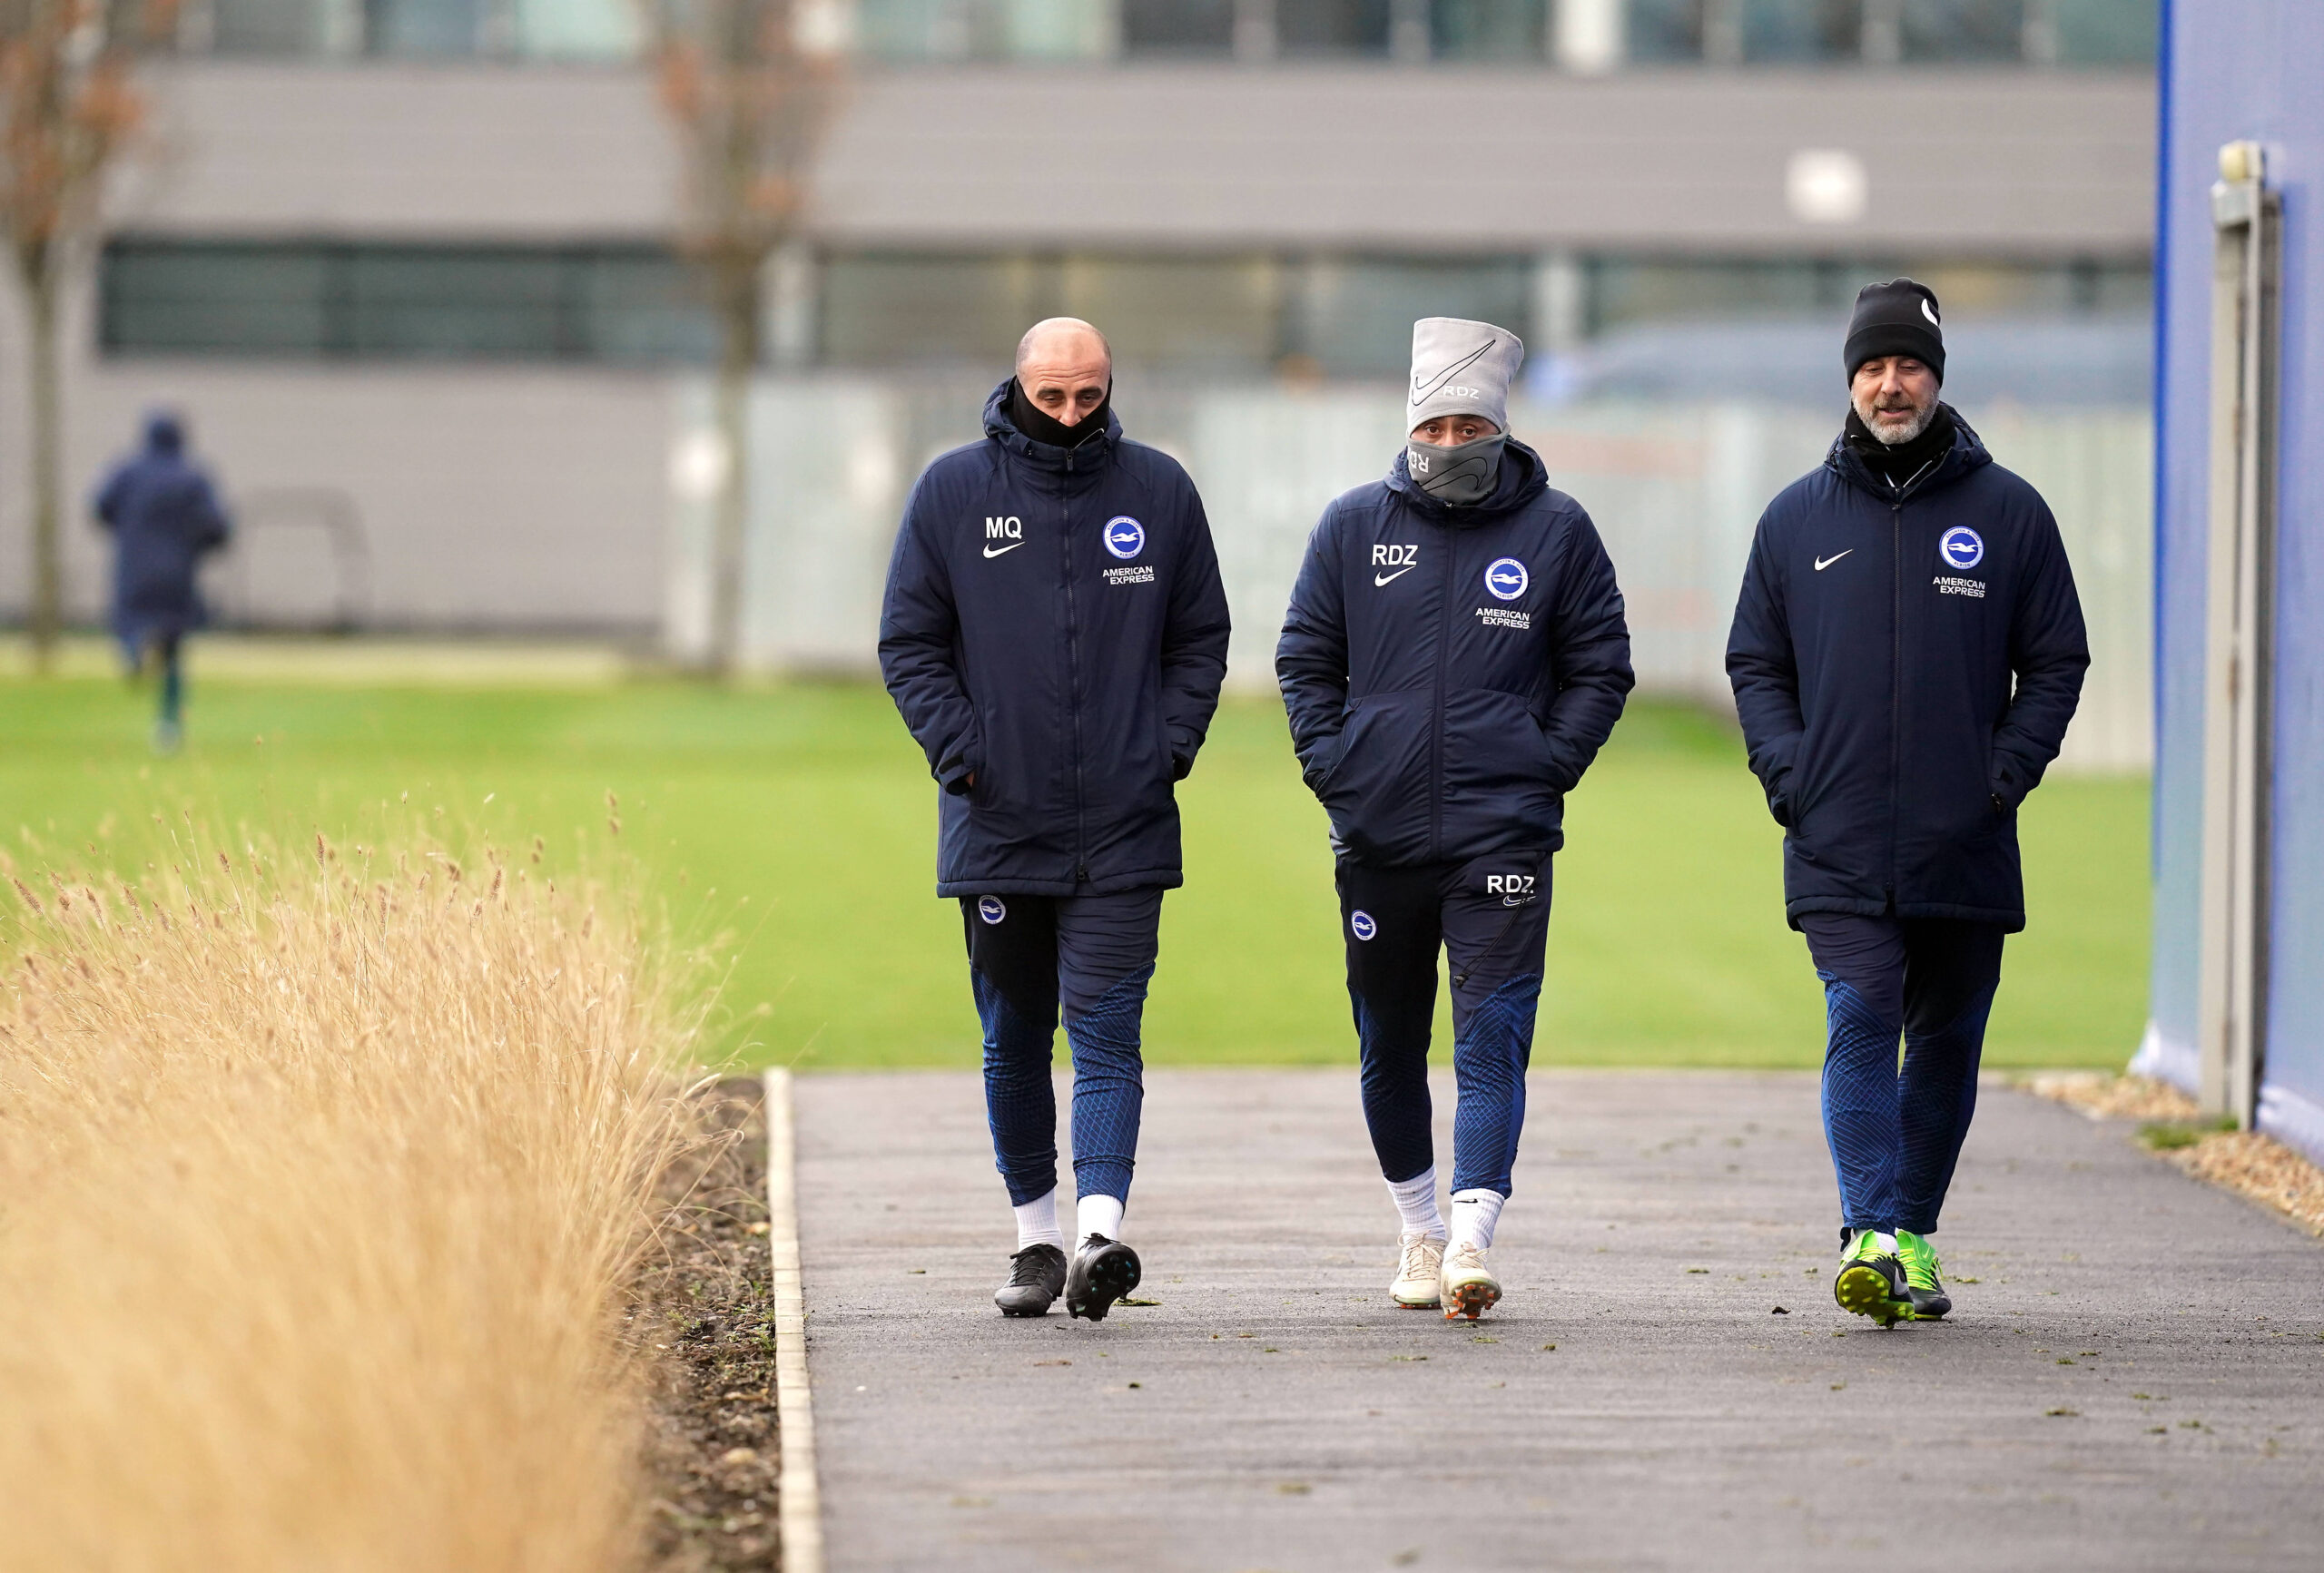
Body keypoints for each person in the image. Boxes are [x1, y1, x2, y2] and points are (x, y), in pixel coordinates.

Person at [1726, 280, 2088, 1327]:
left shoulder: (2009, 513)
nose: (1891, 383)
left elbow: (2056, 658)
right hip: (1833, 833)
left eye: (1910, 365)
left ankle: (1914, 1240)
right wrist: (1788, 773)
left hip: (1963, 834)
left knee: (1944, 1040)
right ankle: (1870, 1229)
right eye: (1873, 366)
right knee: (1858, 1010)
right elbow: (1754, 659)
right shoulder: (1795, 518)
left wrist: (2002, 772)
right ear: (1850, 378)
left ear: (1936, 377)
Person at [1276, 319, 1633, 1321]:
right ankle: (1418, 1228)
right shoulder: (1352, 526)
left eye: (1466, 423)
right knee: (1388, 1043)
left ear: (1500, 425)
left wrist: (1543, 764)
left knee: (1491, 1039)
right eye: (1431, 424)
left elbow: (1602, 666)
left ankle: (1472, 1239)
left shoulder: (1558, 531)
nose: (1447, 443)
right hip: (1377, 836)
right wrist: (1337, 771)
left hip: (1502, 837)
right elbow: (1304, 658)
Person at [879, 319, 1231, 1322]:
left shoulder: (1159, 492)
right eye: (1052, 398)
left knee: (1110, 1037)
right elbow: (909, 640)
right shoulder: (953, 492)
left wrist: (1163, 746)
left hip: (1124, 824)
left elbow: (1201, 635)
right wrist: (965, 753)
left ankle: (1097, 1234)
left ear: (1110, 383)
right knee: (1015, 1039)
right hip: (998, 824)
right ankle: (1036, 1237)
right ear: (1019, 384)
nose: (1072, 414)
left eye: (1089, 395)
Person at [94, 411, 231, 752]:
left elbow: (99, 508)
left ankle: (133, 650)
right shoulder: (193, 477)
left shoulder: (127, 472)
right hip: (177, 574)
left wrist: (128, 529)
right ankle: (168, 727)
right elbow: (218, 527)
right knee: (173, 651)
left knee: (131, 623)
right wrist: (196, 544)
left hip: (134, 571)